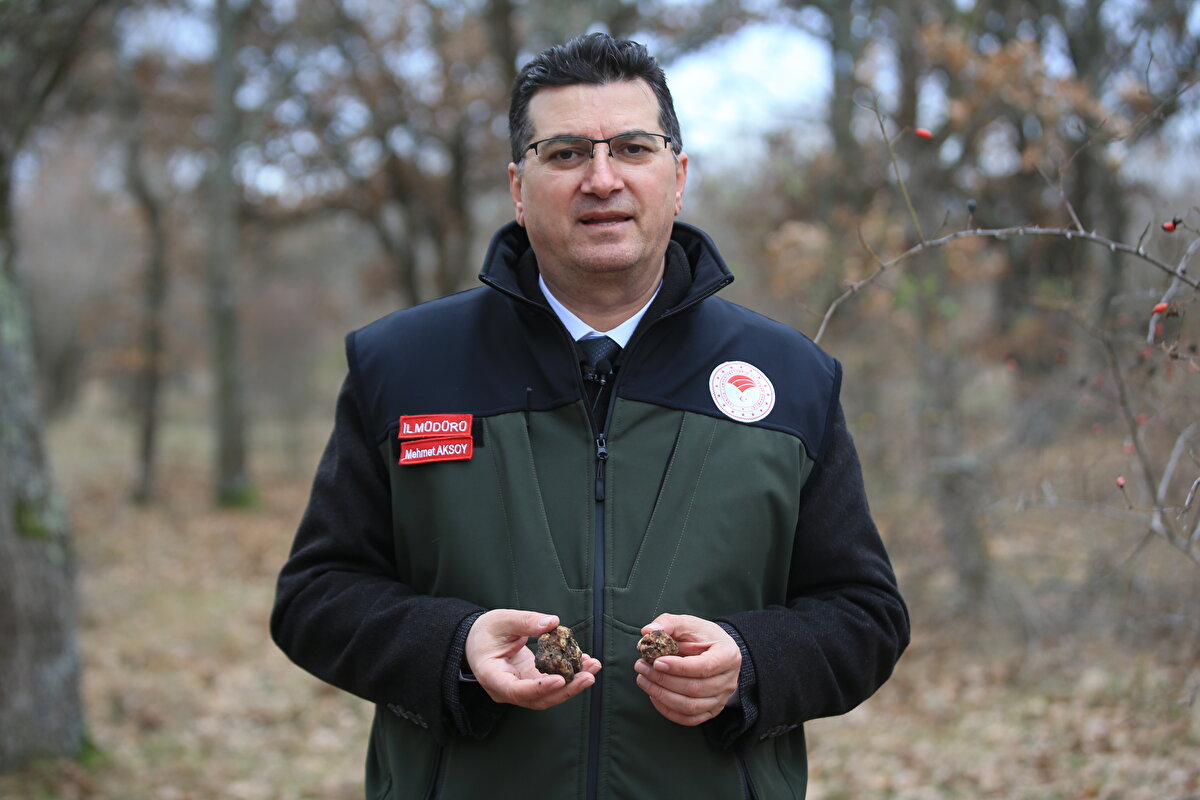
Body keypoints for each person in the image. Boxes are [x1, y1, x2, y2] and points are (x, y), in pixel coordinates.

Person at [271, 32, 909, 800]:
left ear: (677, 176)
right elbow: (315, 597)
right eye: (566, 152)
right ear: (518, 184)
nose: (601, 179)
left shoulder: (792, 377)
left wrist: (753, 659)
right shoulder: (403, 366)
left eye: (633, 148)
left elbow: (865, 615)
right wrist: (452, 647)